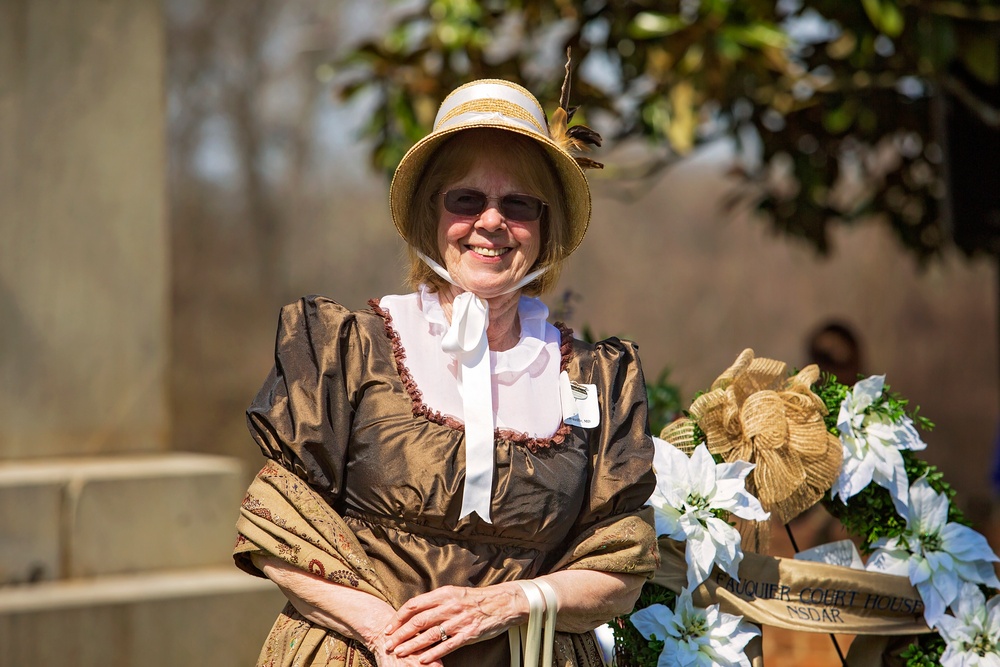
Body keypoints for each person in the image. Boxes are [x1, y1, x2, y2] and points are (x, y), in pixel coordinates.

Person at [233, 78, 658, 667]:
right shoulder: (351, 350)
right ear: (431, 211)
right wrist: (389, 636)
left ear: (545, 226)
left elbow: (622, 564)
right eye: (466, 200)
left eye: (518, 205)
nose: (491, 222)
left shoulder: (597, 379)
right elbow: (278, 527)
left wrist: (513, 601)